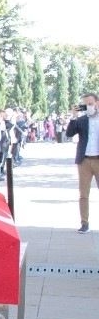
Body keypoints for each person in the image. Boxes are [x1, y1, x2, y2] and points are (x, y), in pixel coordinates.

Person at [66, 93, 99, 233]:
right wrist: (74, 116)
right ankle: (84, 223)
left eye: (90, 104)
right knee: (83, 194)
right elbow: (69, 134)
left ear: (97, 103)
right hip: (84, 161)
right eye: (85, 104)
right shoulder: (81, 120)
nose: (89, 107)